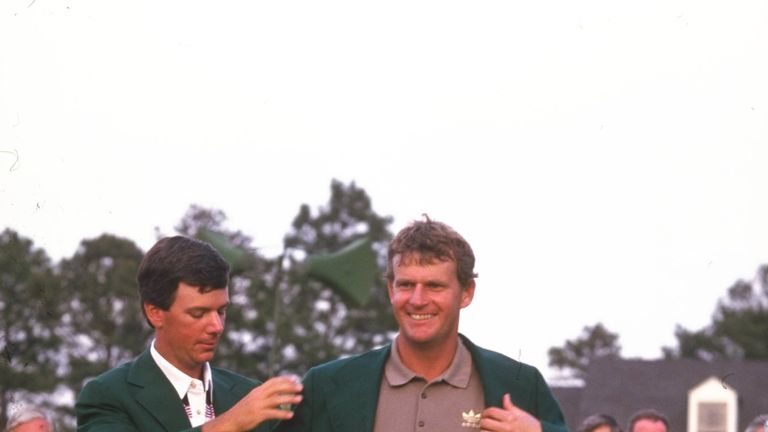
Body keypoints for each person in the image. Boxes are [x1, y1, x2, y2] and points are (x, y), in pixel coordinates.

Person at [276, 216, 567, 432]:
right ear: (391, 290)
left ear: (466, 293)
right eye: (406, 284)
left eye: (434, 286)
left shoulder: (522, 385)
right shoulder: (327, 387)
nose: (417, 299)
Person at [76, 235, 302, 432]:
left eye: (221, 311)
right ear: (155, 313)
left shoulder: (252, 395)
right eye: (198, 313)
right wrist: (230, 424)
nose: (216, 326)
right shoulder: (107, 396)